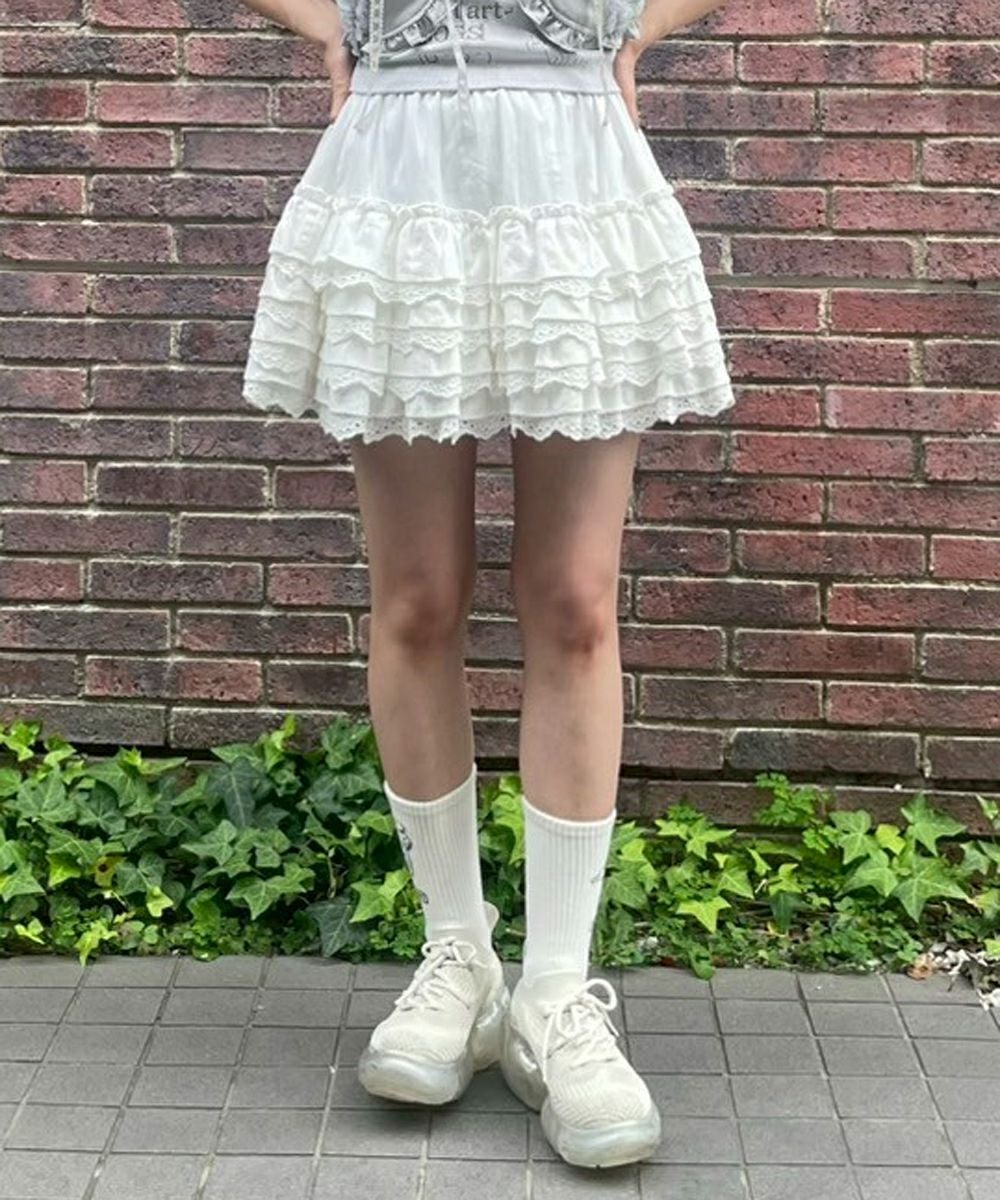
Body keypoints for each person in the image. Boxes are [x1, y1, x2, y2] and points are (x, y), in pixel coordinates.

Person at [240, 0, 732, 1169]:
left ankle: (555, 992)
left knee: (574, 602)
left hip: (573, 156)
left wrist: (636, 31)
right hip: (398, 156)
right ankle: (457, 957)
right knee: (417, 599)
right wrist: (329, 27)